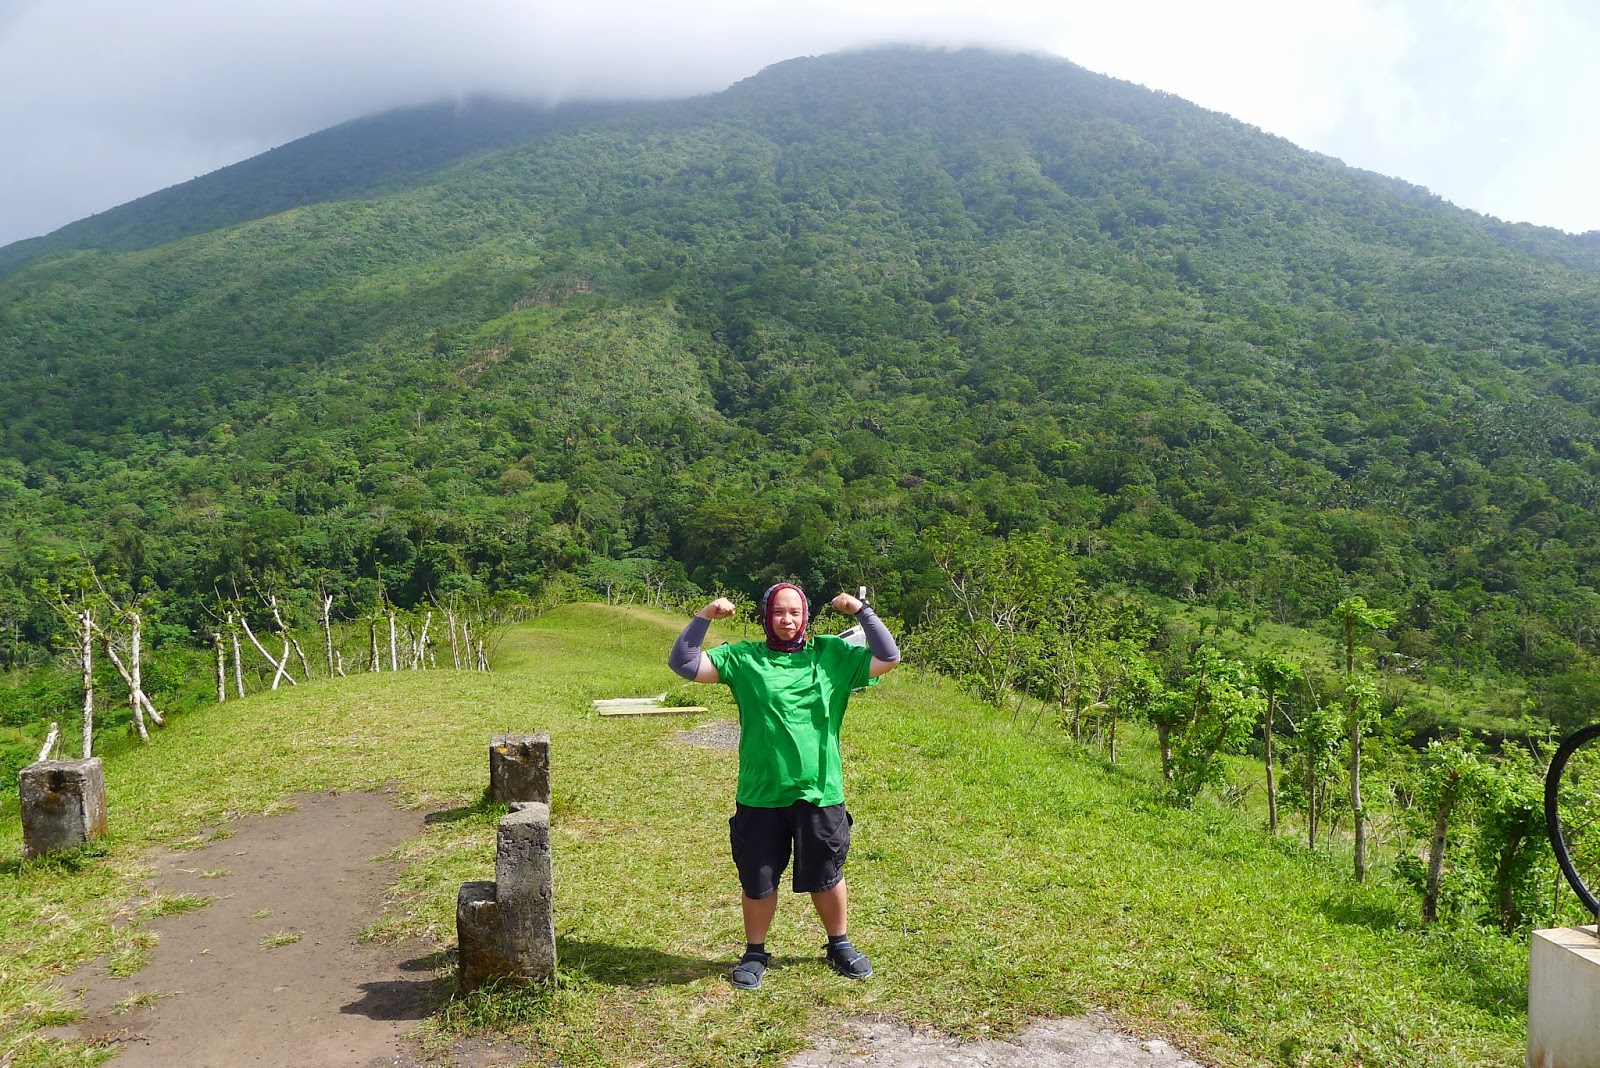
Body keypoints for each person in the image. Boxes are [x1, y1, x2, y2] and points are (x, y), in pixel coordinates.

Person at [668, 582, 900, 989]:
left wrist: (861, 609)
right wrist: (704, 617)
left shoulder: (832, 656)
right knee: (758, 878)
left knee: (827, 873)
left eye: (795, 612)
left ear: (806, 616)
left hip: (819, 789)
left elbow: (888, 656)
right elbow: (685, 664)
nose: (787, 619)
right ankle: (755, 952)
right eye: (778, 612)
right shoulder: (744, 659)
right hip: (760, 793)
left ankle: (839, 944)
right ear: (765, 617)